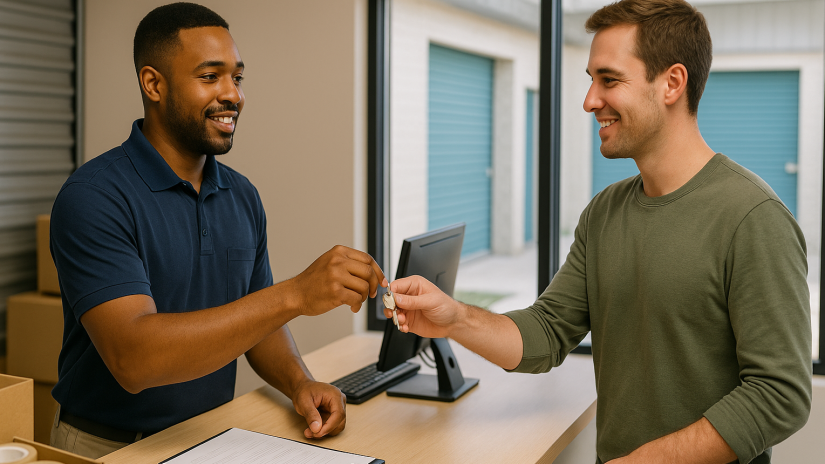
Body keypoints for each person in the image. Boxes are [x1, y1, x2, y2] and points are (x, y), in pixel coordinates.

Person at [386, 0, 812, 462]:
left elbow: (780, 394)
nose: (590, 100)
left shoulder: (753, 217)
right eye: (591, 80)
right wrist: (455, 317)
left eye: (609, 80)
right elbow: (547, 333)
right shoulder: (604, 213)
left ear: (672, 83)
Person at [48, 3, 386, 459]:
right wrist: (294, 295)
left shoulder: (241, 195)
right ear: (153, 84)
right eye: (210, 77)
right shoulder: (94, 196)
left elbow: (258, 321)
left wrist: (298, 382)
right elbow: (134, 359)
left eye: (237, 78)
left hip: (209, 437)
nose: (234, 95)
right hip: (108, 446)